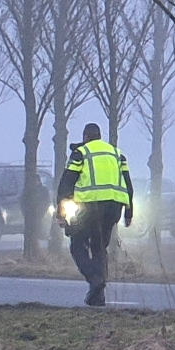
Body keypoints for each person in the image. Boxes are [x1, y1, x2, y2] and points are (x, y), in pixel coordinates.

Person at [55, 122, 133, 306]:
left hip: (87, 207)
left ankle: (95, 280)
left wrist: (61, 212)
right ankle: (97, 296)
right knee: (99, 247)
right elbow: (128, 185)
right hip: (113, 207)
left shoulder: (81, 154)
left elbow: (66, 184)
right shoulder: (117, 154)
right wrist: (129, 212)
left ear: (85, 137)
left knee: (77, 245)